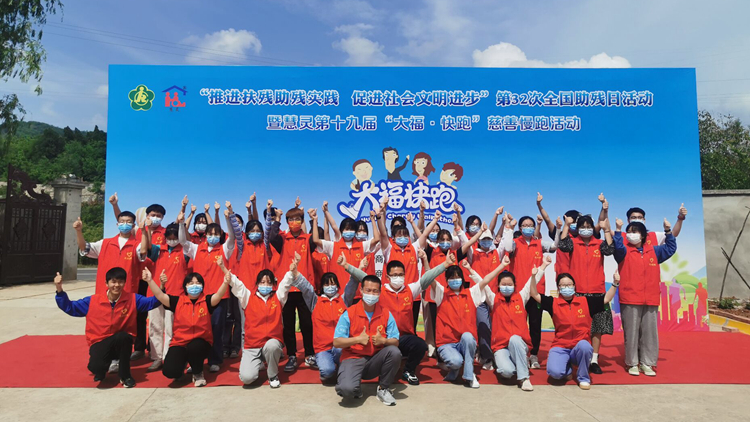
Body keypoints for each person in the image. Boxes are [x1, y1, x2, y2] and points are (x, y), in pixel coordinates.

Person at [343, 243, 456, 386]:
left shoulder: (410, 289)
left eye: (401, 275)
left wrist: (445, 264)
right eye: (395, 275)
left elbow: (427, 277)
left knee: (420, 345)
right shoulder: (381, 290)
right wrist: (346, 266)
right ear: (387, 277)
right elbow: (364, 277)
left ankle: (408, 370)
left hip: (403, 337)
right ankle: (379, 370)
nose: (398, 278)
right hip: (384, 337)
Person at [54, 268, 161, 387]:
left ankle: (125, 376)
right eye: (113, 282)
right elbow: (70, 307)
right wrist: (59, 288)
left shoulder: (132, 299)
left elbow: (154, 301)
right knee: (96, 367)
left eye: (120, 282)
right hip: (99, 341)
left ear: (124, 283)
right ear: (106, 283)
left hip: (120, 342)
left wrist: (154, 283)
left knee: (124, 337)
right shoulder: (93, 301)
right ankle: (101, 369)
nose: (117, 285)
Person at [219, 253, 303, 388]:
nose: (265, 285)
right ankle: (257, 363)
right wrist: (223, 268)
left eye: (269, 282)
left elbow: (286, 283)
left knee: (272, 346)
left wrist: (294, 268)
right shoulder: (248, 297)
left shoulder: (278, 297)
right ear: (257, 284)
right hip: (252, 345)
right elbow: (237, 284)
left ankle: (273, 375)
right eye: (262, 282)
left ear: (273, 285)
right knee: (247, 378)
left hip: (271, 342)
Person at [528, 267, 620, 390]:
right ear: (558, 288)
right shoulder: (553, 303)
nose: (566, 287)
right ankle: (568, 370)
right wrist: (533, 277)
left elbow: (606, 298)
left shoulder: (585, 301)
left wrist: (615, 283)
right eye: (563, 285)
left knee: (585, 347)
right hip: (561, 345)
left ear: (574, 286)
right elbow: (534, 294)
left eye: (569, 284)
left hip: (580, 344)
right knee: (555, 373)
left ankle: (583, 378)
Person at [142, 261, 230, 387]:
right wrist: (150, 280)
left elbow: (219, 295)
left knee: (195, 347)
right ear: (185, 286)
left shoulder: (207, 301)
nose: (195, 285)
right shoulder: (177, 301)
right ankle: (182, 365)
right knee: (169, 371)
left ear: (202, 286)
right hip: (180, 342)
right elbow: (160, 296)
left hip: (201, 343)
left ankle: (198, 372)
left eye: (198, 283)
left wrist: (225, 282)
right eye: (191, 283)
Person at [613, 217, 677, 376]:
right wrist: (618, 230)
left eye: (634, 232)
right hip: (630, 297)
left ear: (642, 235)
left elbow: (670, 248)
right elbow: (617, 248)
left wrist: (668, 231)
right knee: (631, 333)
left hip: (651, 297)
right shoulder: (624, 251)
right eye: (628, 232)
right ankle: (632, 363)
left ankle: (647, 363)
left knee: (649, 333)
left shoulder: (654, 251)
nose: (630, 234)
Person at [178, 207, 236, 373]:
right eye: (210, 233)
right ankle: (195, 360)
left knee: (216, 328)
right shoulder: (196, 249)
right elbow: (182, 241)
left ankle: (215, 359)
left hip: (219, 296)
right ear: (206, 235)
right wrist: (181, 224)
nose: (212, 236)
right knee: (197, 329)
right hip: (199, 296)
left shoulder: (224, 249)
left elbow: (232, 237)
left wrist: (228, 219)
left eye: (216, 234)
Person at [428, 256, 497, 389]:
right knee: (456, 362)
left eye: (458, 277)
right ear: (447, 280)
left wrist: (503, 265)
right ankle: (455, 369)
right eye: (452, 278)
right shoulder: (441, 293)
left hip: (465, 342)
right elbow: (430, 277)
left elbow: (486, 280)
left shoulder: (471, 293)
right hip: (447, 343)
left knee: (468, 337)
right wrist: (427, 260)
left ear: (462, 278)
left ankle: (470, 376)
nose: (455, 280)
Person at [557, 215, 615, 374]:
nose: (586, 229)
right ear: (578, 228)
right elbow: (562, 245)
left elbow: (610, 250)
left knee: (596, 328)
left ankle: (594, 359)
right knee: (578, 327)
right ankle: (578, 356)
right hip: (578, 292)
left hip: (597, 292)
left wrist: (606, 230)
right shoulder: (573, 243)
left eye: (589, 226)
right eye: (583, 226)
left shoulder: (599, 244)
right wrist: (566, 225)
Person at [333, 273, 401, 406]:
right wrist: (357, 339)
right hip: (353, 358)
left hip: (375, 360)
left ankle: (383, 388)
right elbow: (337, 342)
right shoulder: (349, 313)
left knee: (394, 352)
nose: (371, 294)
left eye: (375, 291)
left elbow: (396, 341)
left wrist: (384, 341)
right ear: (361, 290)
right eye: (368, 290)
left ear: (380, 292)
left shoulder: (386, 313)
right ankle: (354, 384)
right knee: (347, 390)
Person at [485, 256, 549, 392]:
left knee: (514, 339)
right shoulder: (493, 299)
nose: (506, 287)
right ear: (498, 286)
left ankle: (524, 378)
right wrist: (501, 266)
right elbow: (483, 282)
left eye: (509, 284)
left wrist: (543, 266)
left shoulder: (521, 297)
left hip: (519, 344)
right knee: (507, 372)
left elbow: (532, 281)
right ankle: (513, 362)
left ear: (514, 285)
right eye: (503, 284)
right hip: (501, 346)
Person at [501, 212, 557, 370]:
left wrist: (559, 229)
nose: (528, 228)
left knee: (535, 324)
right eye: (524, 226)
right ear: (520, 228)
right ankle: (519, 353)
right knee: (517, 324)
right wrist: (509, 227)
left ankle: (533, 355)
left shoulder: (539, 244)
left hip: (536, 291)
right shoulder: (514, 243)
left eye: (530, 226)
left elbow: (555, 246)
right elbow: (507, 247)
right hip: (518, 292)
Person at [269, 201, 316, 373]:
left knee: (307, 323)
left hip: (304, 288)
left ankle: (310, 354)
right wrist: (277, 218)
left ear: (301, 221)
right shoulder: (283, 240)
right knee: (288, 324)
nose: (294, 222)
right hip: (287, 288)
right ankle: (292, 355)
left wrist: (313, 220)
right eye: (291, 220)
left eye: (297, 219)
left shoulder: (308, 239)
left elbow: (317, 239)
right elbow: (272, 237)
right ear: (287, 222)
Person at [144, 222, 192, 371]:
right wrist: (147, 229)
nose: (172, 240)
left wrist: (183, 222)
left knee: (171, 328)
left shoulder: (184, 251)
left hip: (175, 295)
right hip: (155, 293)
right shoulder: (159, 250)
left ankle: (167, 356)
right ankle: (156, 357)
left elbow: (187, 239)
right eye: (169, 238)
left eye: (174, 237)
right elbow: (147, 247)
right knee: (155, 326)